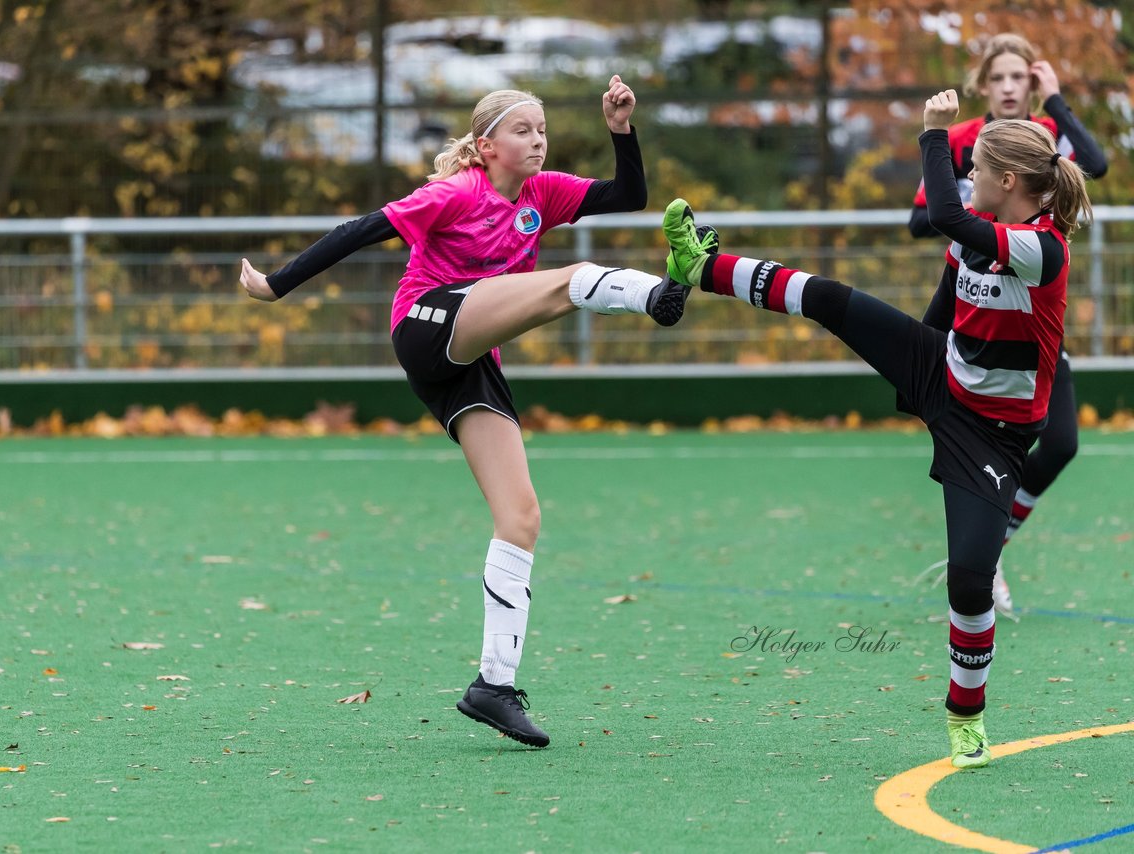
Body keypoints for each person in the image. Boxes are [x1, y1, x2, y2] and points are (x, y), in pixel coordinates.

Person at [239, 76, 699, 748]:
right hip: (425, 329)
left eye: (542, 129)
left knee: (521, 517)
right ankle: (656, 297)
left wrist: (621, 132)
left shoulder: (543, 194)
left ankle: (493, 686)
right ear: (485, 147)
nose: (537, 140)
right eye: (523, 130)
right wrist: (277, 285)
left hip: (469, 361)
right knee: (570, 284)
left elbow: (629, 196)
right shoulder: (457, 192)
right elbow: (361, 230)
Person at [661, 89, 1091, 768]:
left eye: (975, 168)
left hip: (995, 435)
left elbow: (944, 213)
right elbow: (939, 314)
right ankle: (701, 265)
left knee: (970, 580)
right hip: (941, 375)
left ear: (1009, 183)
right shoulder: (974, 242)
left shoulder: (1043, 250)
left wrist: (932, 133)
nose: (969, 177)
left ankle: (965, 716)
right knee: (833, 300)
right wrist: (909, 374)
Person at [908, 33, 1107, 619]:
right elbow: (926, 219)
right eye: (1000, 78)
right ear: (984, 86)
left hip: (1031, 319)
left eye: (1022, 77)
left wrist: (1060, 100)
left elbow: (1093, 167)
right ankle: (982, 556)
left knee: (1063, 442)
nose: (1010, 87)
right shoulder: (968, 137)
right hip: (978, 307)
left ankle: (990, 549)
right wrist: (976, 218)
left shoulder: (1043, 139)